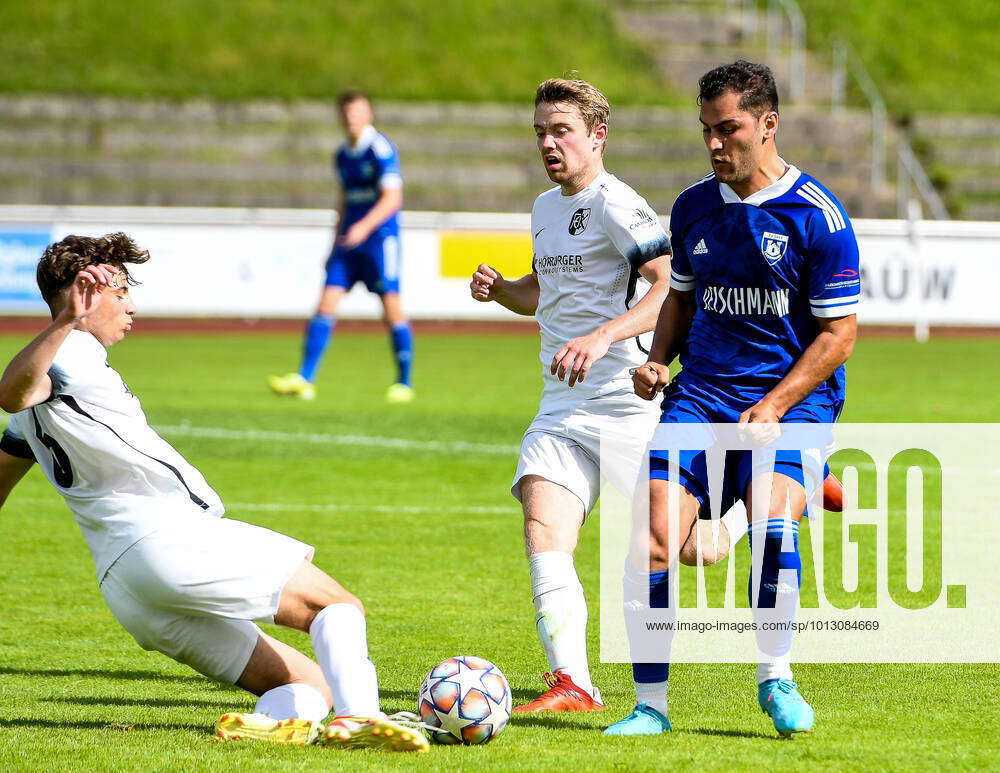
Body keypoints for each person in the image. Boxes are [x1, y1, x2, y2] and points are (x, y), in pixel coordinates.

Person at [0, 233, 427, 753]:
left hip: (130, 590)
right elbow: (11, 391)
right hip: (168, 543)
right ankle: (360, 720)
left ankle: (274, 724)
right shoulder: (71, 350)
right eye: (118, 289)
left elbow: (12, 441)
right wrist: (65, 321)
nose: (131, 303)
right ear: (80, 294)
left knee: (308, 684)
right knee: (334, 605)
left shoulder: (45, 394)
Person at [604, 61, 860, 737]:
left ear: (768, 123)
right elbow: (681, 297)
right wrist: (658, 361)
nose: (716, 145)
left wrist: (775, 404)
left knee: (773, 531)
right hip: (701, 398)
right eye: (707, 131)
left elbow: (838, 336)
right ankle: (650, 705)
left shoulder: (818, 217)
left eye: (730, 129)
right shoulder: (693, 207)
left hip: (792, 405)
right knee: (655, 538)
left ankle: (775, 678)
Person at [471, 77, 685, 712]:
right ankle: (574, 683)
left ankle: (771, 488)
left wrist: (603, 337)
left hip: (628, 401)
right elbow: (545, 294)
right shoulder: (544, 209)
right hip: (562, 406)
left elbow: (672, 287)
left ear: (598, 134)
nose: (547, 142)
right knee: (542, 526)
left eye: (560, 129)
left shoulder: (619, 204)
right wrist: (502, 289)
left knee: (696, 548)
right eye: (540, 130)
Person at [269, 90, 414, 403]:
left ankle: (403, 382)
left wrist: (364, 226)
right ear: (341, 117)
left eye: (358, 112)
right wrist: (335, 241)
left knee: (391, 309)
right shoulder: (342, 155)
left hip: (379, 241)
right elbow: (344, 201)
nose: (352, 118)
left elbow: (392, 198)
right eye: (347, 113)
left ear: (369, 114)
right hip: (350, 243)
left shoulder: (379, 148)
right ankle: (304, 378)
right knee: (325, 304)